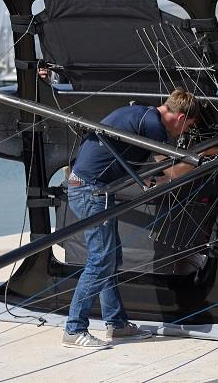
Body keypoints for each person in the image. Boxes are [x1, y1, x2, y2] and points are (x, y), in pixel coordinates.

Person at [63, 88, 201, 349]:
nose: (184, 133)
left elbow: (131, 161)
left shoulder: (141, 113)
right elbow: (172, 170)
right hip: (89, 191)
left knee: (110, 259)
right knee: (100, 260)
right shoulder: (154, 126)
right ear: (181, 118)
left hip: (93, 188)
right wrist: (202, 157)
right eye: (188, 127)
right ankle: (74, 329)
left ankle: (117, 325)